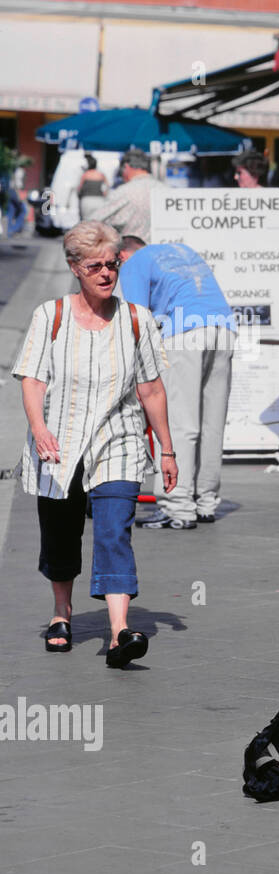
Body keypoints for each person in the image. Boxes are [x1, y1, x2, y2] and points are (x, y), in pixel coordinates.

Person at [12, 221, 177, 668]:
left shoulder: (137, 320)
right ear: (74, 268)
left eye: (113, 264)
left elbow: (151, 390)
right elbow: (32, 378)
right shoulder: (52, 315)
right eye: (95, 266)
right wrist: (39, 427)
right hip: (59, 444)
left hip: (118, 441)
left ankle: (120, 630)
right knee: (61, 532)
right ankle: (61, 613)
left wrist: (166, 448)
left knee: (113, 530)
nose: (106, 273)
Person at [118, 235, 238, 528]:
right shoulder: (181, 250)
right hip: (223, 328)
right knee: (212, 423)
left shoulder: (133, 263)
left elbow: (136, 319)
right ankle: (205, 501)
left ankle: (178, 506)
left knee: (179, 422)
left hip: (184, 332)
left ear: (122, 255)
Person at [89, 149, 165, 244]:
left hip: (132, 253)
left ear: (126, 166)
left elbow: (93, 220)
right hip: (162, 252)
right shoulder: (166, 190)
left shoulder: (124, 191)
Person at [77, 155, 109, 220]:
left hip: (87, 199)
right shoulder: (101, 174)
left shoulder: (85, 174)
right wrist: (104, 195)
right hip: (99, 199)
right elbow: (107, 186)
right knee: (98, 220)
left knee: (86, 221)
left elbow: (79, 188)